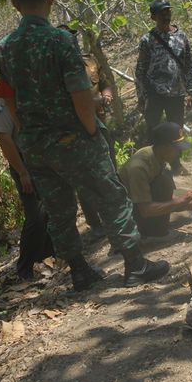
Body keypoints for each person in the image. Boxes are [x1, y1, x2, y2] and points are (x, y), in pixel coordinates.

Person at [0, 0, 169, 290]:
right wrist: (90, 132)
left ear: (15, 4)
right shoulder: (60, 41)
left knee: (59, 209)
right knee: (111, 196)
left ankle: (79, 271)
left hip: (35, 145)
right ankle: (135, 264)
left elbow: (9, 100)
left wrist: (28, 132)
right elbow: (81, 96)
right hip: (73, 137)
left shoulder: (5, 48)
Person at [0, 82, 55, 280]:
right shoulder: (2, 102)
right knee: (35, 215)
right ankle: (24, 267)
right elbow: (4, 138)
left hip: (43, 157)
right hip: (24, 163)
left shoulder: (32, 88)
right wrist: (22, 171)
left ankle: (49, 255)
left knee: (49, 210)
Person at [56, 24, 114, 242]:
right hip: (76, 133)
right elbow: (69, 101)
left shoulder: (90, 60)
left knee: (110, 170)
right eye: (66, 37)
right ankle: (95, 223)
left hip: (100, 124)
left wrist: (106, 96)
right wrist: (94, 102)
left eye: (73, 36)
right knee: (85, 180)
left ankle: (113, 217)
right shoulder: (57, 70)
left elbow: (105, 82)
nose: (71, 40)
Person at [134, 0, 192, 175]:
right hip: (154, 93)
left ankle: (176, 165)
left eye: (168, 12)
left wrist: (191, 91)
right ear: (153, 17)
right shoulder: (147, 40)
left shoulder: (181, 36)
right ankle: (153, 167)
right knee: (153, 131)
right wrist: (141, 96)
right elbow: (140, 70)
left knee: (177, 130)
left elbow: (189, 65)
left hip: (177, 93)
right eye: (162, 13)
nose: (166, 16)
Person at [118, 122, 192, 238]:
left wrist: (186, 202)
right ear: (164, 146)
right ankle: (152, 234)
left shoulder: (157, 156)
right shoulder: (139, 168)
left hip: (139, 205)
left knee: (165, 179)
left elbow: (168, 195)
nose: (179, 153)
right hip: (127, 215)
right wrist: (181, 201)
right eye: (176, 149)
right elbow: (145, 210)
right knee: (162, 183)